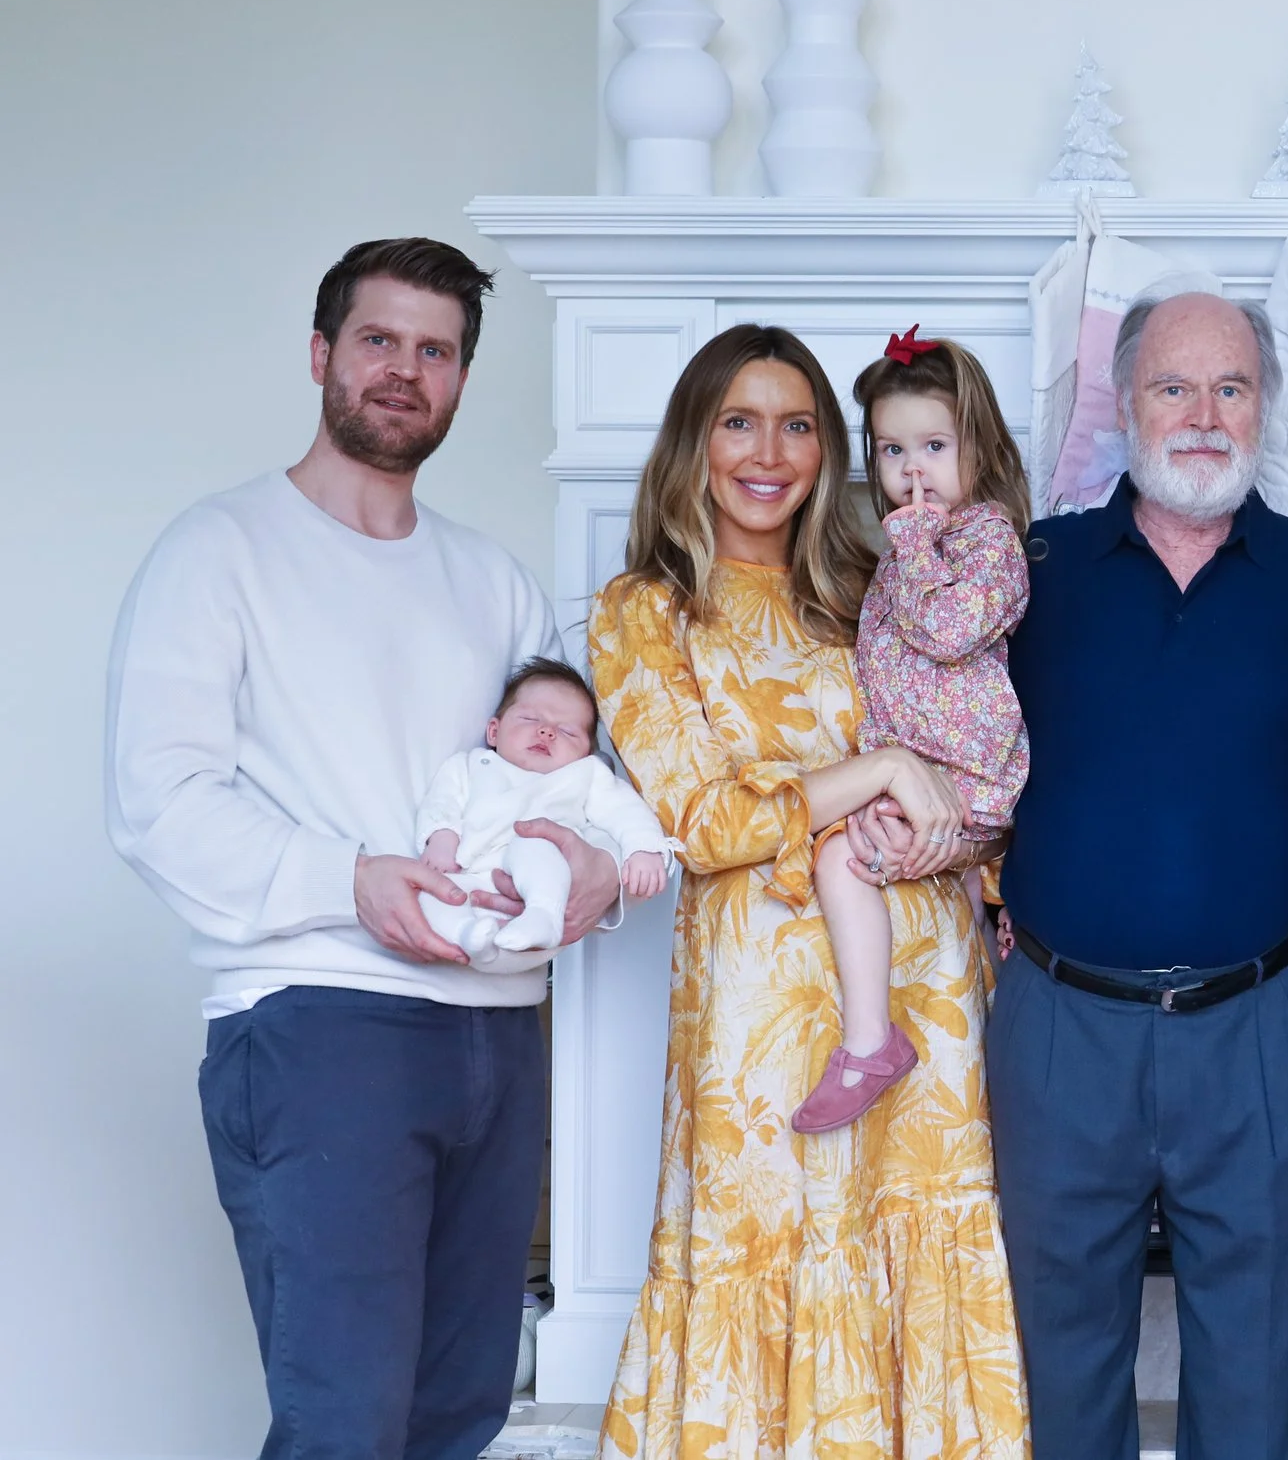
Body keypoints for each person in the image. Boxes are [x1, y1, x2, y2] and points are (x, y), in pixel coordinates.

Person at [105, 237, 625, 1458]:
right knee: (344, 1422)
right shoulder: (217, 550)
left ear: (460, 378)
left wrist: (593, 861)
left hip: (500, 1032)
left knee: (456, 1418)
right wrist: (349, 875)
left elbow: (555, 774)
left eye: (435, 350)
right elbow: (158, 799)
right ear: (321, 354)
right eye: (379, 340)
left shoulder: (491, 581)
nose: (405, 370)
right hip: (321, 1024)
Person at [587, 324, 1027, 1457]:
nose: (769, 450)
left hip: (923, 990)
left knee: (914, 1252)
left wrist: (998, 873)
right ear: (694, 439)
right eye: (739, 419)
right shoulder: (646, 611)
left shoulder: (874, 589)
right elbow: (705, 819)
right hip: (759, 1027)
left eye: (797, 424)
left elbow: (968, 746)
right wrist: (874, 770)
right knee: (765, 1265)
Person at [992, 289, 1288, 1460]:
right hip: (1060, 1020)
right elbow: (942, 739)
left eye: (1232, 388)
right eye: (1173, 386)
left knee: (1254, 1362)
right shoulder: (1029, 569)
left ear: (1264, 407)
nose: (1203, 415)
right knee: (1059, 1359)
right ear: (1125, 400)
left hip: (1256, 1021)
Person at [792, 326, 1031, 1134]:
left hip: (969, 772)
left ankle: (869, 1041)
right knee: (909, 876)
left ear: (980, 449)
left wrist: (915, 546)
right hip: (921, 765)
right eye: (893, 450)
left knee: (840, 858)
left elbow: (945, 633)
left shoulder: (986, 540)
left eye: (933, 445)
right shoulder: (909, 548)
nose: (912, 471)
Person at [413, 657, 675, 969]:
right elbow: (442, 803)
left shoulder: (584, 776)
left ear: (585, 754)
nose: (546, 732)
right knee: (430, 896)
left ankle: (542, 915)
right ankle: (468, 935)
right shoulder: (468, 766)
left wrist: (644, 848)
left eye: (567, 732)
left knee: (536, 843)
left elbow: (626, 810)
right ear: (494, 731)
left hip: (543, 891)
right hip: (469, 877)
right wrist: (441, 838)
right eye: (529, 719)